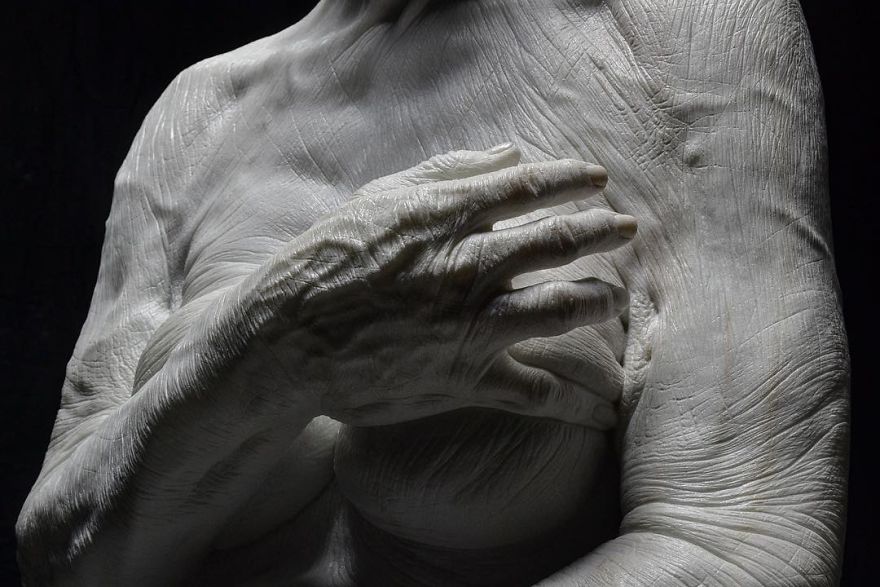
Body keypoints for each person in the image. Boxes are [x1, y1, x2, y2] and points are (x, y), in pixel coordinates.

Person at [17, 0, 849, 585]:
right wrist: (276, 342)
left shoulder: (686, 34)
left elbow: (747, 548)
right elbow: (65, 556)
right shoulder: (196, 113)